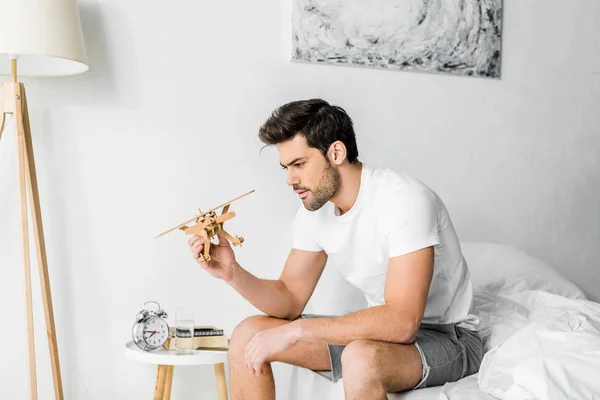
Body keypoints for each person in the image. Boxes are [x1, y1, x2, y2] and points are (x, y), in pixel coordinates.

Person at [187, 99, 483, 400]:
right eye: (286, 168)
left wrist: (297, 332)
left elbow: (402, 322)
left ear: (336, 152)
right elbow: (289, 299)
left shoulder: (404, 200)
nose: (290, 180)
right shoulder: (313, 214)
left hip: (448, 337)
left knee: (360, 358)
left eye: (299, 164)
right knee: (247, 335)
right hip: (379, 337)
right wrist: (232, 273)